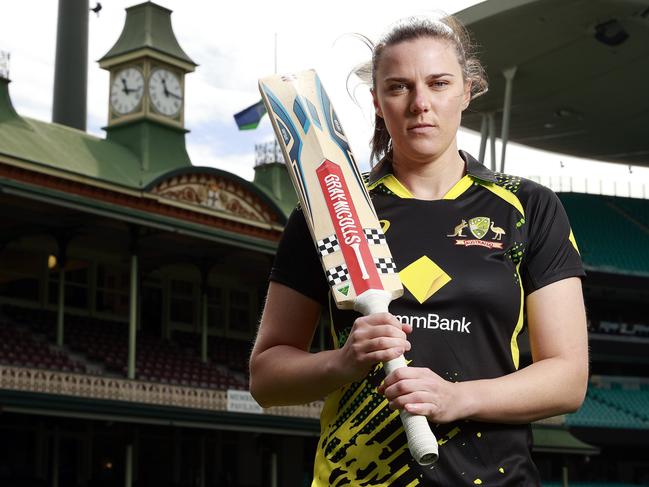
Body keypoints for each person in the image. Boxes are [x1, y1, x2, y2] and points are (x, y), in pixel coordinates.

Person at [249, 15, 588, 486]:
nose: (420, 104)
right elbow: (265, 379)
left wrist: (456, 398)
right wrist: (342, 362)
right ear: (377, 102)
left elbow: (568, 378)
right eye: (399, 87)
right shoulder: (329, 209)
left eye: (439, 83)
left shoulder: (527, 207)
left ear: (466, 92)